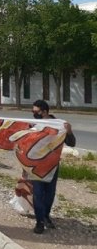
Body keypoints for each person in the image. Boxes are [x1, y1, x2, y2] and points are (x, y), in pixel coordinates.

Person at [30, 100, 75, 234]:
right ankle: (39, 222)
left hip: (52, 165)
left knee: (49, 193)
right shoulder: (34, 125)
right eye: (32, 112)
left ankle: (45, 215)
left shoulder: (60, 125)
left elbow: (71, 143)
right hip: (36, 165)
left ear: (44, 112)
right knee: (38, 193)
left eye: (36, 112)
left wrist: (69, 132)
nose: (34, 114)